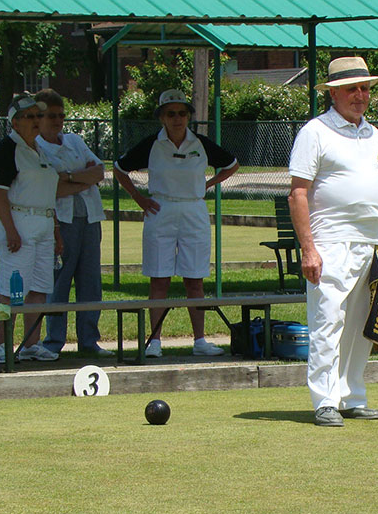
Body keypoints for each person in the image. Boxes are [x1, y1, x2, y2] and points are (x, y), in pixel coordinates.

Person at [288, 56, 378, 427]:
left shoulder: (374, 134)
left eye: (365, 88)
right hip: (331, 242)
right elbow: (298, 193)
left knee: (362, 326)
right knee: (328, 321)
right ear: (333, 92)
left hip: (372, 244)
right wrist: (308, 248)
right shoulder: (314, 132)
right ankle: (325, 400)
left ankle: (352, 395)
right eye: (353, 88)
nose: (361, 95)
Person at [113, 89, 239, 357]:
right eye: (171, 114)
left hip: (194, 210)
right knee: (159, 279)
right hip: (161, 209)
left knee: (194, 279)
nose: (177, 118)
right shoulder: (151, 144)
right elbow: (119, 169)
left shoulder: (201, 143)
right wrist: (138, 197)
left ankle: (200, 341)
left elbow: (232, 164)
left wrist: (208, 184)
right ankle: (155, 342)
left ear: (189, 116)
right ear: (161, 117)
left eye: (182, 113)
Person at [34, 88, 112, 358]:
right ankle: (53, 341)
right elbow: (50, 188)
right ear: (38, 118)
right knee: (59, 283)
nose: (57, 121)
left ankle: (89, 340)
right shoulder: (37, 148)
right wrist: (79, 178)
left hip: (89, 219)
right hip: (61, 222)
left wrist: (67, 177)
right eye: (50, 116)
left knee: (90, 283)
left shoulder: (75, 141)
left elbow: (99, 171)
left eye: (60, 115)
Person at [0, 93, 63, 363]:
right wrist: (10, 231)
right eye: (30, 116)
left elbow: (47, 195)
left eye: (38, 116)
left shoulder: (39, 150)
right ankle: (1, 346)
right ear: (15, 122)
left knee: (39, 288)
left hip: (42, 224)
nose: (36, 121)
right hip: (18, 222)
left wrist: (55, 230)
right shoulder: (7, 150)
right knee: (11, 288)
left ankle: (31, 343)